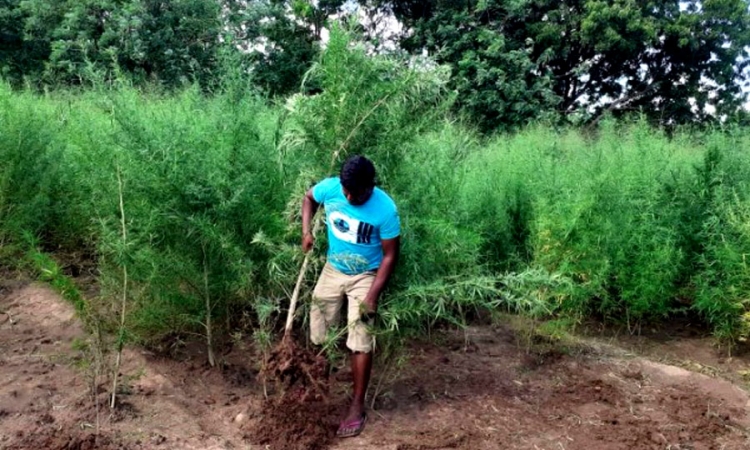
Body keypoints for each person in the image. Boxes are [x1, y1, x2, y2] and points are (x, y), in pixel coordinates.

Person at [301, 154, 400, 438]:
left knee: (360, 337)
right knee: (319, 331)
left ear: (370, 186)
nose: (347, 196)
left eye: (354, 193)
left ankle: (357, 405)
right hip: (333, 269)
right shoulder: (332, 187)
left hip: (365, 275)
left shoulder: (385, 209)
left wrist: (372, 296)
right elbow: (309, 198)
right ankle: (320, 390)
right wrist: (306, 231)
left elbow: (391, 255)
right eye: (345, 190)